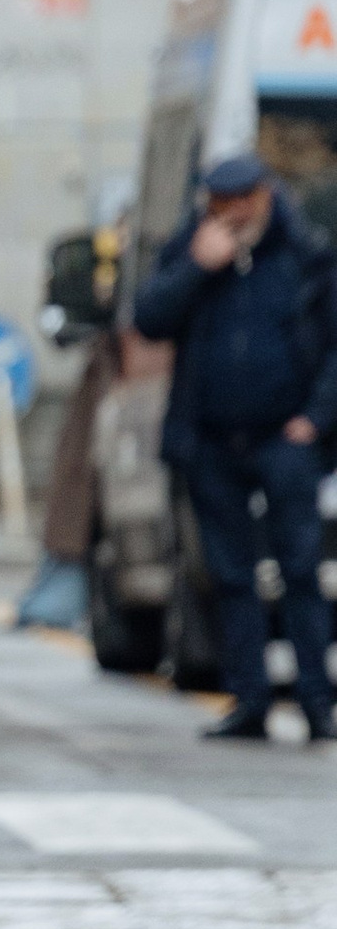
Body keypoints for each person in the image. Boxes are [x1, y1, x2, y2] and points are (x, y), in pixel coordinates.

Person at [134, 149, 337, 743]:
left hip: (285, 439)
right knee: (230, 576)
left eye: (241, 201)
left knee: (299, 571)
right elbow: (148, 320)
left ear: (266, 198)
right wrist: (197, 267)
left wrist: (316, 421)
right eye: (219, 204)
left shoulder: (306, 259)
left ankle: (316, 703)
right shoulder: (191, 253)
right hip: (212, 441)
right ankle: (249, 700)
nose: (231, 213)